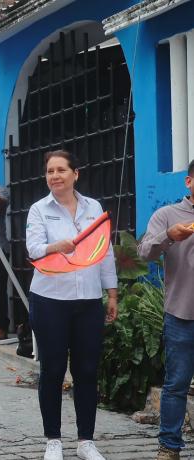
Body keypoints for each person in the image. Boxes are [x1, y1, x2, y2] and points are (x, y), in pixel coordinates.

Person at [25, 150, 118, 460]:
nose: (55, 176)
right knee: (52, 369)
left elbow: (104, 251)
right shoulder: (39, 210)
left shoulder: (94, 207)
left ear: (75, 173)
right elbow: (35, 250)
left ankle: (85, 441)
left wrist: (112, 293)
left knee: (87, 370)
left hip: (88, 299)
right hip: (50, 299)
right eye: (50, 171)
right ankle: (53, 439)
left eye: (61, 170)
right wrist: (57, 246)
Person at [137, 160, 194, 460]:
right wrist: (170, 235)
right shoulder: (168, 215)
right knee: (176, 384)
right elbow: (144, 252)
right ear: (188, 182)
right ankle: (169, 447)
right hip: (182, 314)